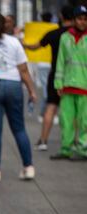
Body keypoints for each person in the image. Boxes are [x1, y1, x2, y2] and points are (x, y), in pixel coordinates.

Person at [0, 13, 37, 182]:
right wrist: (32, 91)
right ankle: (28, 167)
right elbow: (24, 70)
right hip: (13, 85)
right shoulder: (14, 42)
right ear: (5, 25)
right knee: (19, 128)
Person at [24, 5, 74, 151]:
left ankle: (43, 141)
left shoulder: (53, 33)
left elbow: (34, 46)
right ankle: (75, 142)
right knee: (75, 110)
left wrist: (22, 44)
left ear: (61, 16)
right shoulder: (76, 35)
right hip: (74, 76)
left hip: (56, 75)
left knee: (51, 107)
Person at [52, 5, 87, 161]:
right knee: (66, 120)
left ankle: (83, 149)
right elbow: (60, 62)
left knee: (84, 121)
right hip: (67, 85)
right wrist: (58, 83)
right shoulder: (65, 37)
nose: (82, 22)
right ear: (74, 20)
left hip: (85, 87)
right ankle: (66, 149)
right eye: (80, 19)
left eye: (85, 19)